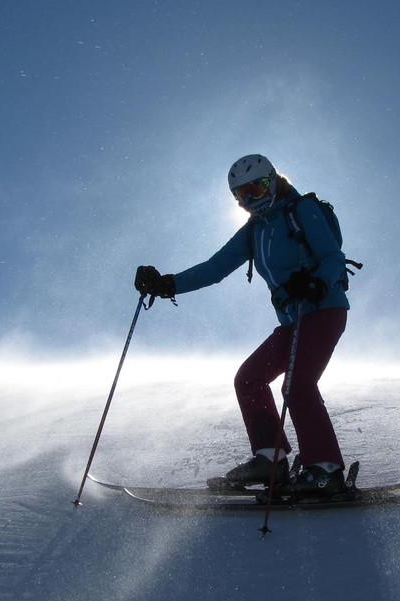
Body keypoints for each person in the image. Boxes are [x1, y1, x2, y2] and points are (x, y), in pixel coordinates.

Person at [134, 154, 351, 495]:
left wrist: (317, 282)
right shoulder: (254, 231)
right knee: (249, 378)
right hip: (292, 322)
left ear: (273, 181)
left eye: (256, 188)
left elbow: (333, 257)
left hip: (324, 311)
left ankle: (325, 471)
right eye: (242, 195)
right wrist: (167, 284)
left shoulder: (302, 211)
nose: (251, 199)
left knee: (298, 384)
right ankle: (270, 461)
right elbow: (215, 267)